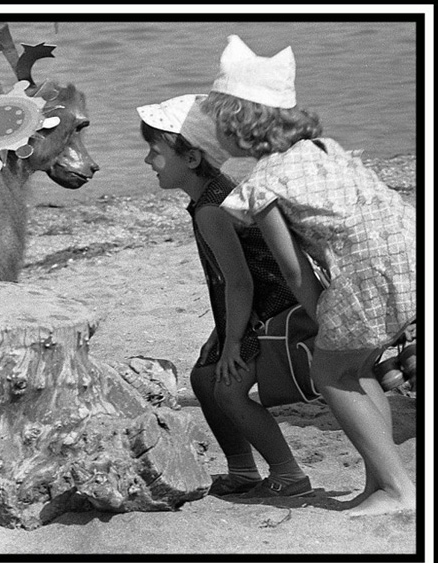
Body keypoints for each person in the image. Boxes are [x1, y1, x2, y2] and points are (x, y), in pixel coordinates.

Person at [202, 35, 417, 516]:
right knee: (357, 368)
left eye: (218, 120)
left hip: (370, 272)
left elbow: (293, 267)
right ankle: (381, 481)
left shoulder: (264, 182)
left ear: (238, 126)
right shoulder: (324, 148)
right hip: (412, 252)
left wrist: (320, 314)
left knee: (331, 371)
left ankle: (399, 489)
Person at [136, 94, 312, 499]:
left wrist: (233, 341)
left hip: (269, 313)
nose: (148, 161)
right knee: (203, 375)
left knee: (228, 389)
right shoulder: (213, 193)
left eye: (155, 151)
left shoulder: (212, 210)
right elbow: (229, 281)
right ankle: (243, 470)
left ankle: (290, 473)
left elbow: (240, 282)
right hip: (253, 309)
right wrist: (222, 331)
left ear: (192, 159)